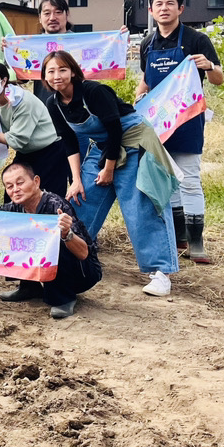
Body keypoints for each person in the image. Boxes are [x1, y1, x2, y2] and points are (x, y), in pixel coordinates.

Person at [43, 50, 180, 297]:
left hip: (133, 142)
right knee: (80, 199)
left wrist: (108, 170)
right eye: (51, 71)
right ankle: (75, 257)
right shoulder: (53, 103)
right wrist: (76, 181)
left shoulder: (94, 92)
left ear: (73, 71)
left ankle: (161, 272)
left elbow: (115, 129)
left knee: (141, 205)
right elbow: (69, 141)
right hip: (101, 145)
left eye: (62, 69)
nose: (57, 76)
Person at [135, 0, 223, 264]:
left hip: (187, 120)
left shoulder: (197, 39)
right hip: (158, 123)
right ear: (151, 10)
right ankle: (179, 237)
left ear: (180, 8)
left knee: (190, 180)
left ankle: (196, 242)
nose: (164, 8)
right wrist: (138, 97)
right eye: (158, 4)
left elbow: (219, 78)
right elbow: (146, 79)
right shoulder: (147, 43)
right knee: (166, 180)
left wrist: (209, 66)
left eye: (170, 4)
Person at [0, 163, 102, 319]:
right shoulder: (12, 209)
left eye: (20, 183)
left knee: (53, 240)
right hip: (51, 270)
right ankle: (29, 287)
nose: (15, 189)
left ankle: (63, 298)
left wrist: (67, 233)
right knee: (12, 233)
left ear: (36, 182)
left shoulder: (56, 206)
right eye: (9, 186)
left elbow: (84, 253)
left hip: (84, 272)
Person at [0, 61, 79, 201]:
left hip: (50, 151)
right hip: (26, 153)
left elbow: (16, 141)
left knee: (50, 200)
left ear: (4, 81)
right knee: (13, 198)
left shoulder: (21, 100)